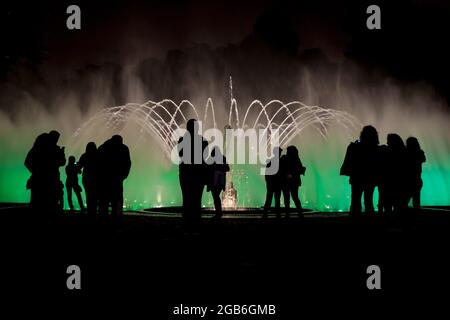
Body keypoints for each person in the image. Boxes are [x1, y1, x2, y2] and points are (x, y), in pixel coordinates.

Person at [340, 125, 379, 216]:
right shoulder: (376, 149)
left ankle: (355, 220)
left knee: (355, 200)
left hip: (357, 178)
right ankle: (369, 221)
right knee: (368, 201)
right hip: (370, 178)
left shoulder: (354, 147)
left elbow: (349, 161)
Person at [25, 130, 66, 214]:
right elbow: (62, 162)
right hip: (52, 182)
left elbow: (26, 162)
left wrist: (35, 173)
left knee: (37, 205)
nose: (57, 140)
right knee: (51, 206)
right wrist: (62, 154)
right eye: (56, 138)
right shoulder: (55, 149)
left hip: (37, 181)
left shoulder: (36, 149)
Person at [177, 119, 209, 224]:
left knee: (186, 198)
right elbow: (205, 157)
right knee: (197, 199)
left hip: (186, 173)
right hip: (199, 174)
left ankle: (186, 222)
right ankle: (196, 222)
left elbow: (181, 155)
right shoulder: (203, 141)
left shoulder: (182, 140)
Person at [97, 135, 131, 217]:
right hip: (116, 177)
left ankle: (103, 216)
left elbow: (97, 162)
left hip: (105, 178)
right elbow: (128, 163)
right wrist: (124, 175)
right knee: (117, 198)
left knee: (104, 198)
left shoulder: (103, 147)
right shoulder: (124, 148)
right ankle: (117, 215)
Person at [380, 133, 407, 213]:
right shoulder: (404, 153)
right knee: (398, 205)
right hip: (399, 183)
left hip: (388, 183)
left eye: (388, 141)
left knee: (388, 205)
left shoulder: (386, 152)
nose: (387, 143)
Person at [280, 146, 306, 218]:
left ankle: (288, 214)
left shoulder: (284, 158)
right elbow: (300, 169)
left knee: (287, 197)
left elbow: (281, 168)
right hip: (294, 181)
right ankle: (300, 213)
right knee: (295, 197)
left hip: (286, 181)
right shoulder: (296, 159)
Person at [206, 146, 230, 218]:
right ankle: (218, 212)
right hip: (218, 181)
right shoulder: (219, 159)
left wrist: (217, 166)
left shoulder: (213, 159)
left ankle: (219, 212)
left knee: (215, 196)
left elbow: (227, 168)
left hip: (216, 181)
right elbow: (227, 168)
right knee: (216, 196)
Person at [78, 142, 99, 215]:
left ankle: (90, 212)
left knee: (89, 195)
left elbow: (79, 167)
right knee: (95, 195)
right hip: (96, 178)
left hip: (87, 178)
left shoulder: (84, 155)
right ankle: (95, 211)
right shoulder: (98, 155)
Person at [405, 137, 426, 209]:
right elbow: (423, 160)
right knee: (416, 202)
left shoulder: (406, 153)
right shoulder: (420, 152)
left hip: (408, 181)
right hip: (417, 180)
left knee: (404, 202)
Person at [263, 147, 283, 218]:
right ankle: (277, 214)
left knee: (269, 199)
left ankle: (265, 214)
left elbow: (266, 174)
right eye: (279, 152)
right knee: (276, 199)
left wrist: (268, 181)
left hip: (272, 183)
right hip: (276, 183)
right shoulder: (280, 162)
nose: (280, 154)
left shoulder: (271, 161)